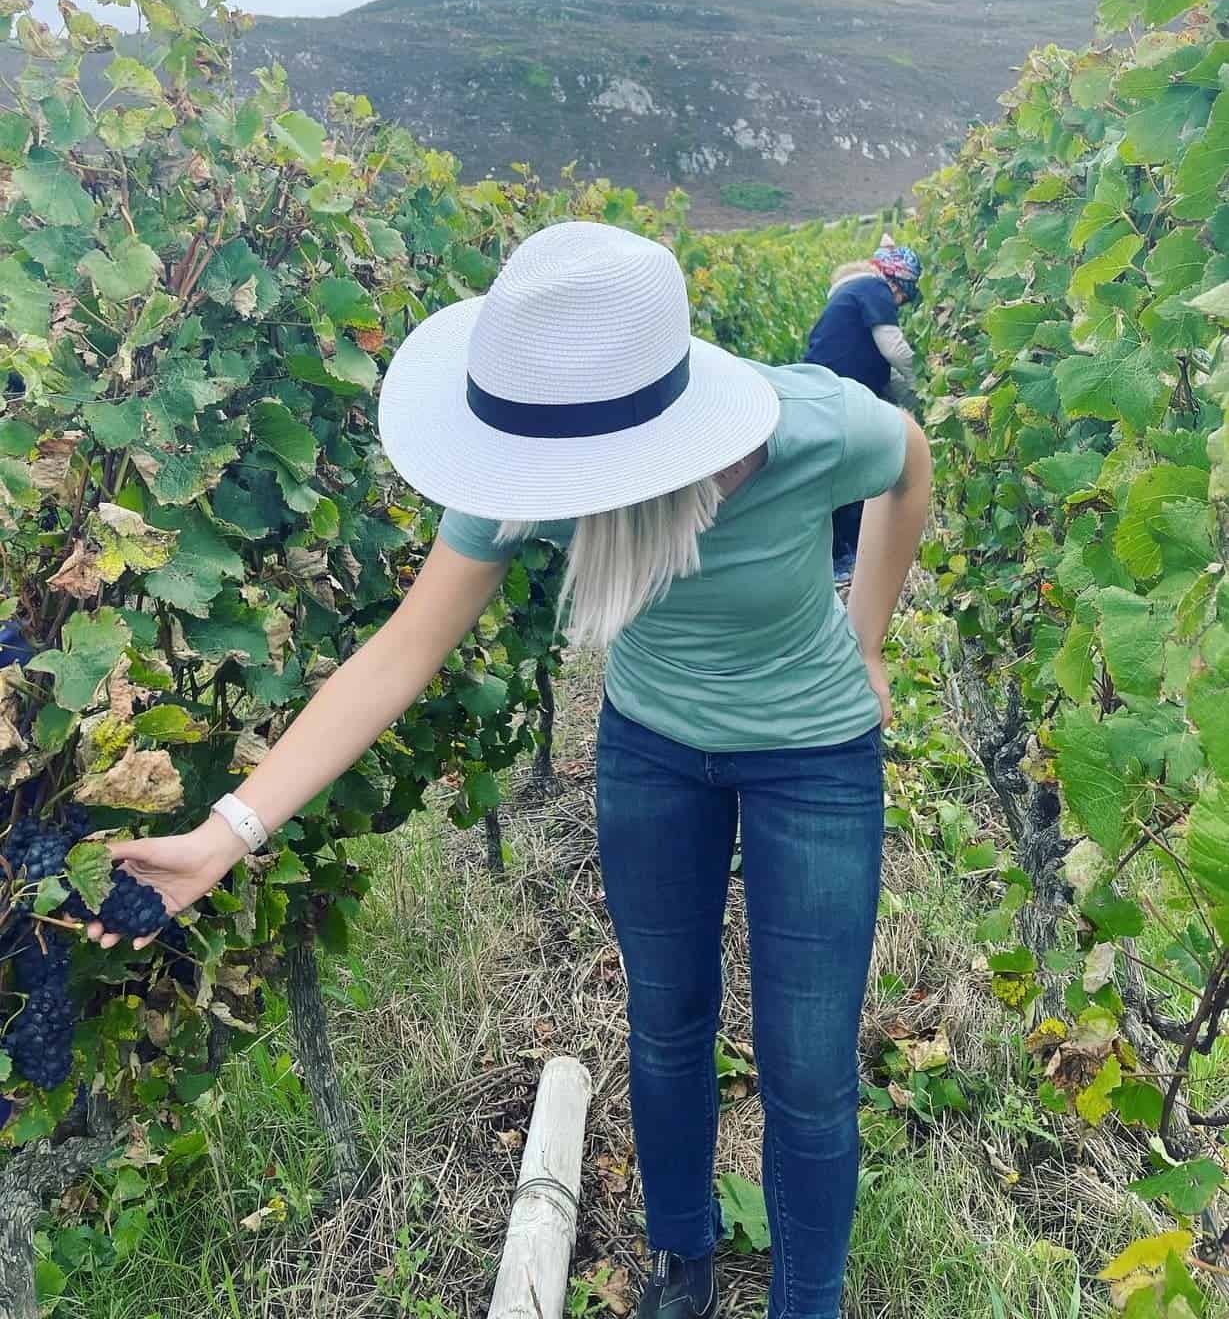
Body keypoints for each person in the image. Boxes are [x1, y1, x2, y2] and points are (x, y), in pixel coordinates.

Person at [86, 222, 931, 1319]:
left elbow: (906, 466)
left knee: (808, 1070)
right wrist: (225, 832)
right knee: (668, 1021)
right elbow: (399, 651)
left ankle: (804, 1305)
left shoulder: (815, 423)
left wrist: (864, 642)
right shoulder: (540, 449)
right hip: (651, 750)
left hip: (814, 757)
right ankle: (684, 1260)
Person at [803, 234, 923, 586]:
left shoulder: (852, 296)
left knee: (840, 471)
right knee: (854, 472)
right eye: (904, 293)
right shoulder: (875, 289)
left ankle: (839, 555)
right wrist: (923, 379)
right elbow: (894, 349)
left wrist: (917, 402)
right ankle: (846, 558)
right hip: (839, 396)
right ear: (896, 281)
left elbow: (883, 374)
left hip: (826, 391)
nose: (899, 302)